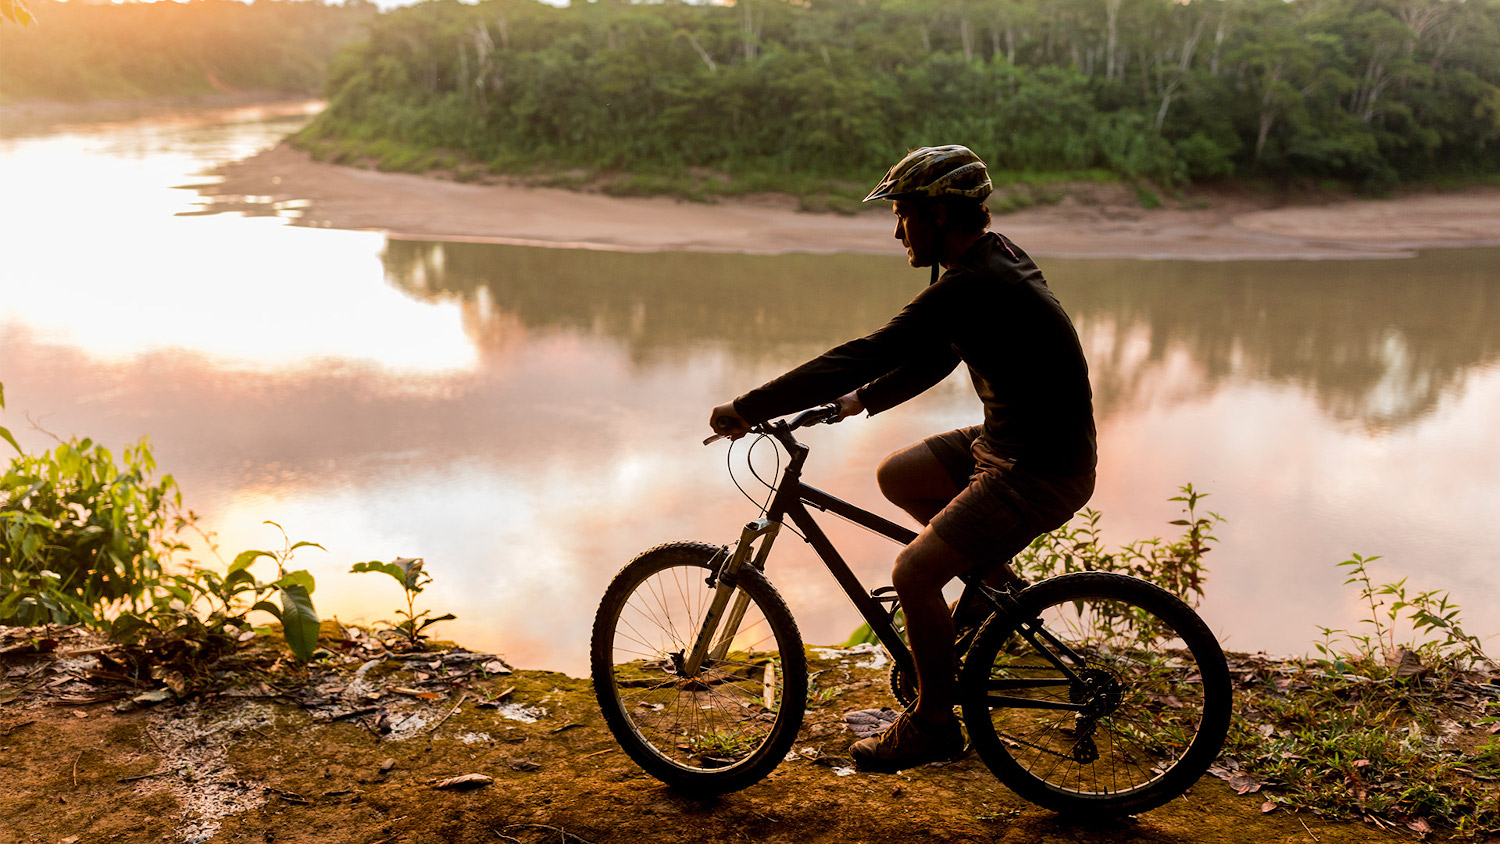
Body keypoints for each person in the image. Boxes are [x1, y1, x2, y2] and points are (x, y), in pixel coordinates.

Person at [708, 145, 1097, 773]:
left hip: (1038, 467)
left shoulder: (973, 282)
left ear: (939, 215)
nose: (897, 232)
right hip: (1013, 442)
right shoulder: (992, 259)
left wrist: (749, 406)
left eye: (903, 215)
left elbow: (870, 350)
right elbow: (940, 354)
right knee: (899, 474)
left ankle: (934, 725)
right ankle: (993, 585)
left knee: (915, 574)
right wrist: (858, 402)